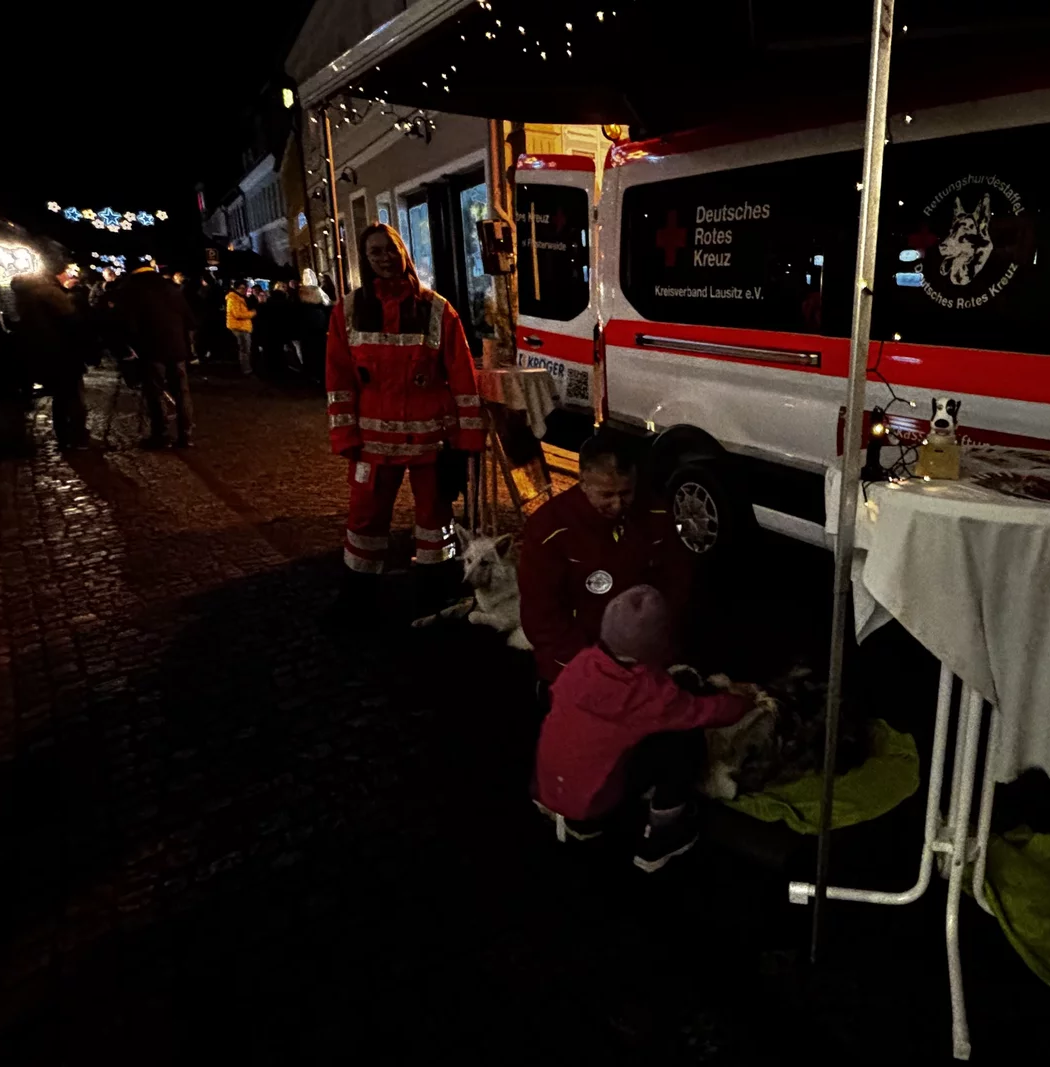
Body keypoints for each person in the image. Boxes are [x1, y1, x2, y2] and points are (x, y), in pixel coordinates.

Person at [534, 585, 759, 870]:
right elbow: (708, 713)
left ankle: (580, 820)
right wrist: (746, 701)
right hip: (596, 804)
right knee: (683, 740)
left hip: (551, 788)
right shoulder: (649, 695)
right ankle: (664, 833)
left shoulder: (581, 663)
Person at [325, 222, 483, 619]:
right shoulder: (348, 311)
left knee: (435, 521)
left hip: (430, 442)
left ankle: (436, 592)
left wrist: (467, 438)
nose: (384, 258)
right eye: (375, 251)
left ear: (403, 253)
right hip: (371, 445)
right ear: (366, 259)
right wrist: (344, 435)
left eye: (390, 249)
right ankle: (357, 598)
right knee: (365, 519)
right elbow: (338, 379)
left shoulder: (437, 310)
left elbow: (462, 378)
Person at [519, 434, 693, 683]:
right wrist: (592, 668)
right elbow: (541, 616)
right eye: (606, 495)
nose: (618, 504)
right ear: (583, 482)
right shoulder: (549, 529)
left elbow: (677, 581)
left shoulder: (656, 514)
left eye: (625, 493)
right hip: (579, 663)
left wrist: (657, 640)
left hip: (647, 658)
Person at [112, 263, 196, 448]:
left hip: (151, 349)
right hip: (177, 348)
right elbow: (190, 320)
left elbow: (126, 324)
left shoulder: (130, 289)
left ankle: (161, 435)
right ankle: (186, 435)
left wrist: (130, 348)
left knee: (155, 392)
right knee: (182, 392)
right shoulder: (171, 287)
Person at [11, 271, 92, 449]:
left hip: (44, 354)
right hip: (64, 353)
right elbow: (73, 323)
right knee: (73, 395)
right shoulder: (50, 294)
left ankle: (64, 435)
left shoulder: (24, 299)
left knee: (60, 396)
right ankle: (77, 435)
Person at [225, 280, 255, 375]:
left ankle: (247, 368)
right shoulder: (233, 299)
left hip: (242, 326)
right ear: (236, 288)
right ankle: (246, 370)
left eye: (245, 288)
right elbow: (238, 314)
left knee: (245, 349)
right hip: (239, 327)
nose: (243, 290)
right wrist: (252, 313)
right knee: (244, 349)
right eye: (241, 288)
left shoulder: (240, 298)